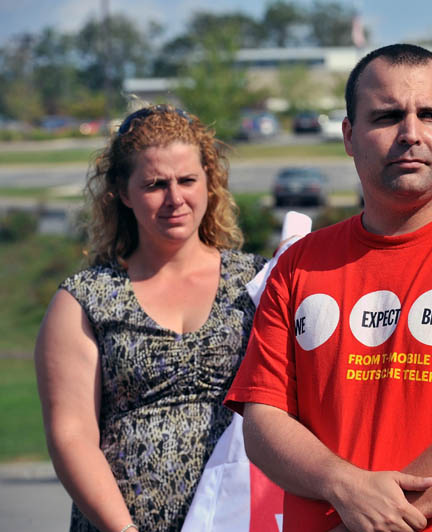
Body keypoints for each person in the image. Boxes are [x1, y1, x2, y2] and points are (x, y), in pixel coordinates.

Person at [224, 43, 432, 532]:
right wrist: (341, 484)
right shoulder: (298, 266)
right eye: (386, 116)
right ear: (348, 135)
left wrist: (374, 521)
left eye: (431, 114)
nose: (411, 134)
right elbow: (262, 423)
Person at [35, 104, 266, 532]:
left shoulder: (256, 282)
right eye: (155, 184)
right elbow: (71, 435)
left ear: (209, 183)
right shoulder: (85, 299)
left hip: (241, 516)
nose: (175, 198)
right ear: (123, 192)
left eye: (187, 180)